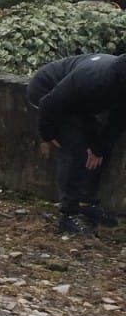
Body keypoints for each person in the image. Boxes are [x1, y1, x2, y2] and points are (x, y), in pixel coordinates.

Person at [28, 53, 126, 235]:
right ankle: (68, 214)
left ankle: (87, 204)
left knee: (99, 147)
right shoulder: (96, 80)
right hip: (46, 90)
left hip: (76, 103)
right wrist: (49, 134)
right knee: (74, 146)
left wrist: (99, 148)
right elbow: (49, 103)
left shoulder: (117, 85)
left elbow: (117, 121)